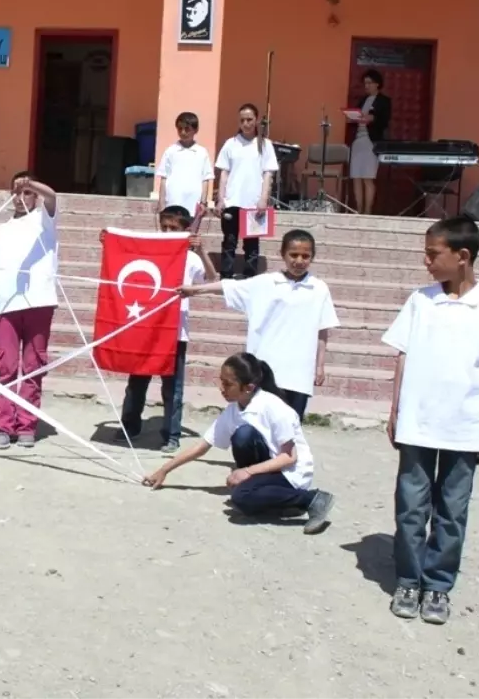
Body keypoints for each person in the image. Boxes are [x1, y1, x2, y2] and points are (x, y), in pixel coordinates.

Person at [382, 216, 479, 625]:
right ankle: (409, 579)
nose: (426, 262)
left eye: (433, 254)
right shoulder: (420, 301)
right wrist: (395, 410)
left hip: (465, 425)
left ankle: (438, 584)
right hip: (418, 421)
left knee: (452, 509)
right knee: (411, 505)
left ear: (462, 257)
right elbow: (403, 355)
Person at [143, 353, 335, 535]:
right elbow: (203, 445)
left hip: (291, 471)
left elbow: (289, 457)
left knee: (241, 497)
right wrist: (164, 470)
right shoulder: (234, 410)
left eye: (228, 384)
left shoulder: (274, 408)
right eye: (221, 381)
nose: (222, 388)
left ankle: (312, 499)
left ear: (248, 387)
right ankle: (279, 502)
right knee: (243, 436)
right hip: (268, 467)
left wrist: (247, 472)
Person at [180, 229, 338, 420]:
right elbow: (227, 286)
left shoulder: (319, 289)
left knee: (290, 427)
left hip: (299, 372)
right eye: (293, 254)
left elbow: (323, 330)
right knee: (259, 424)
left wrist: (319, 366)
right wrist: (194, 290)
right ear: (283, 254)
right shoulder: (266, 283)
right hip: (265, 369)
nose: (299, 260)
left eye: (305, 256)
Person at [119, 205, 215, 453]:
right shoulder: (151, 253)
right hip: (148, 326)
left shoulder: (191, 259)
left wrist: (202, 250)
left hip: (174, 331)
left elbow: (213, 280)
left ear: (186, 230)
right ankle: (130, 425)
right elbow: (124, 257)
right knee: (137, 380)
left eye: (174, 228)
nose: (168, 232)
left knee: (172, 386)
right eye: (164, 227)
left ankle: (171, 433)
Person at [0, 172, 58, 450]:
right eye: (17, 192)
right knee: (6, 367)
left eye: (26, 192)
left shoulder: (43, 220)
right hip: (7, 305)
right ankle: (4, 425)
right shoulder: (0, 230)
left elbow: (52, 195)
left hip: (39, 302)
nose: (21, 197)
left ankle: (27, 425)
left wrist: (31, 184)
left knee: (33, 366)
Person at [214, 103, 278, 279]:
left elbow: (268, 174)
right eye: (242, 120)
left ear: (256, 120)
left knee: (251, 243)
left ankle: (250, 276)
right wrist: (221, 198)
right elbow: (224, 173)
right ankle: (226, 276)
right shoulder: (231, 143)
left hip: (253, 202)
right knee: (229, 241)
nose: (246, 123)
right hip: (232, 201)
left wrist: (263, 198)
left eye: (249, 119)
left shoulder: (265, 144)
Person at [153, 111, 212, 221]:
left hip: (193, 202)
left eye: (187, 129)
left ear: (195, 130)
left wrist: (203, 202)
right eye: (180, 129)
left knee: (190, 234)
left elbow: (205, 179)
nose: (183, 132)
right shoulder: (171, 151)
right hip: (173, 201)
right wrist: (161, 203)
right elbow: (164, 178)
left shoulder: (201, 152)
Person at [349, 69, 392, 215]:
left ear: (377, 84)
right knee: (356, 176)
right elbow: (356, 116)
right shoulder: (362, 100)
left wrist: (372, 118)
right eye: (365, 83)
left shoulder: (384, 101)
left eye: (369, 83)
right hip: (358, 140)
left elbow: (384, 120)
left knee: (367, 176)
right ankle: (358, 209)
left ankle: (367, 211)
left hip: (371, 141)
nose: (366, 86)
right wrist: (352, 118)